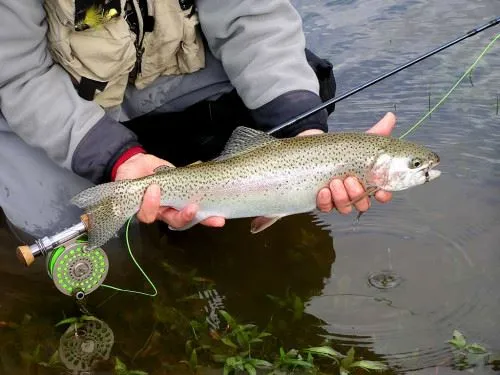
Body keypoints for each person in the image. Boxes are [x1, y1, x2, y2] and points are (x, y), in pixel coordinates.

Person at [0, 0, 393, 241]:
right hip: (46, 106)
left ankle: (198, 199)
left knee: (307, 89)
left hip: (163, 76)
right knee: (85, 246)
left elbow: (252, 17)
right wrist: (115, 157)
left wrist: (305, 137)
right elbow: (19, 75)